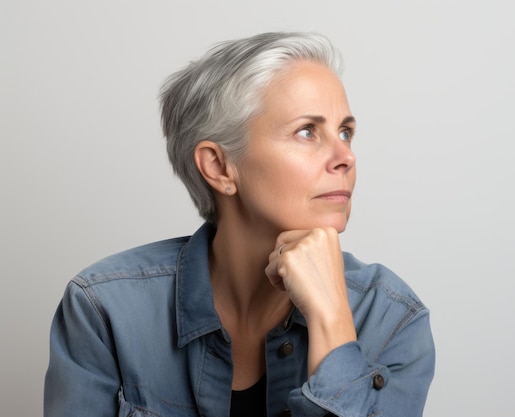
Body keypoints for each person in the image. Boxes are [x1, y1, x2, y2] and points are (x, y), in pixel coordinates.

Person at [44, 32, 435, 417]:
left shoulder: (390, 317)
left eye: (345, 132)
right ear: (219, 166)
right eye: (307, 131)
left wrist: (331, 321)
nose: (345, 157)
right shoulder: (104, 311)